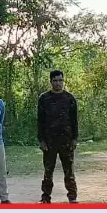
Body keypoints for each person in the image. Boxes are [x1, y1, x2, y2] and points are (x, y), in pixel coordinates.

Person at [37, 70, 79, 204]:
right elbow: (40, 120)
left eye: (60, 80)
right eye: (55, 80)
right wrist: (41, 140)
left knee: (69, 171)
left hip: (66, 140)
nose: (58, 83)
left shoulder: (70, 98)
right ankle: (45, 197)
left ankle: (72, 197)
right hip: (49, 141)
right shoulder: (44, 98)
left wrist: (75, 139)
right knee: (48, 171)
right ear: (50, 82)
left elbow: (74, 120)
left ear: (63, 81)